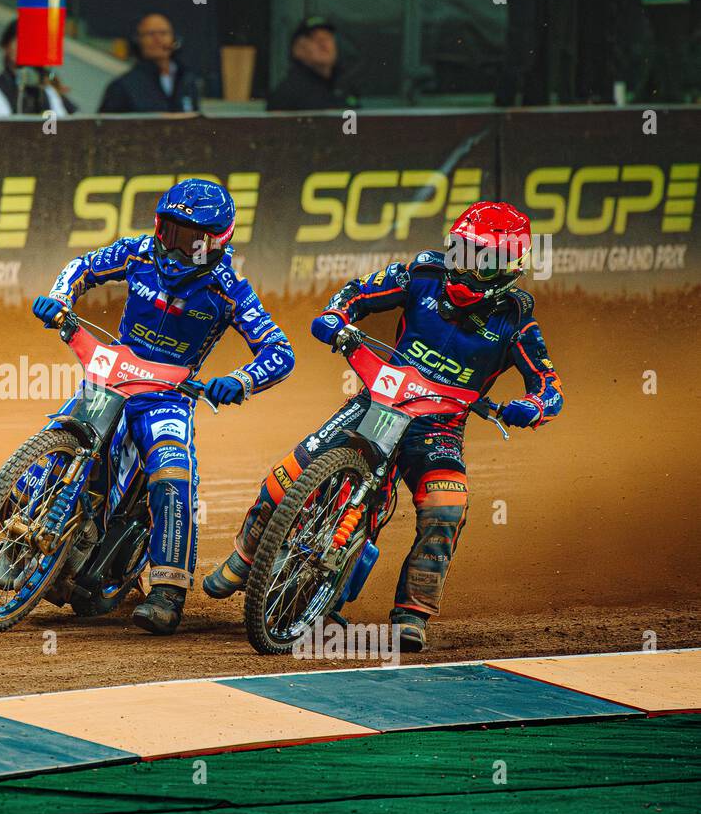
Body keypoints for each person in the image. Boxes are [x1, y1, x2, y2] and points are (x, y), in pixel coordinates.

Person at [203, 202, 564, 651]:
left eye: (480, 260)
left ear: (507, 268)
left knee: (445, 508)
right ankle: (244, 558)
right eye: (462, 250)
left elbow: (550, 388)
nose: (464, 266)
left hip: (438, 429)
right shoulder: (421, 275)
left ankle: (413, 613)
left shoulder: (517, 322)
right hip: (376, 400)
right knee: (286, 477)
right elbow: (354, 294)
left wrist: (530, 407)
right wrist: (336, 318)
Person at [31, 179, 295, 635]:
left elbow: (279, 351)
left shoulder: (228, 288)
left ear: (217, 242)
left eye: (189, 239)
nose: (174, 246)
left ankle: (167, 593)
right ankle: (23, 506)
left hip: (168, 395)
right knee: (64, 431)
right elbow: (82, 266)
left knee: (173, 470)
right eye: (169, 232)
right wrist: (59, 297)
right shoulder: (138, 252)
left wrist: (241, 380)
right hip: (112, 373)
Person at [98, 13, 199, 114]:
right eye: (150, 34)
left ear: (174, 39)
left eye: (163, 33)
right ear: (138, 41)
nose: (158, 39)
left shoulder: (186, 80)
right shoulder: (122, 87)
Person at [0, 20, 76, 117]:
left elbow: (61, 127)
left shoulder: (47, 93)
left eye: (32, 42)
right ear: (5, 46)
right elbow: (6, 129)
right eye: (20, 40)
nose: (26, 47)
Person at [265, 16, 356, 111]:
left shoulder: (345, 87)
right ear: (298, 49)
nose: (323, 43)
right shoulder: (288, 94)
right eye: (314, 38)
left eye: (327, 37)